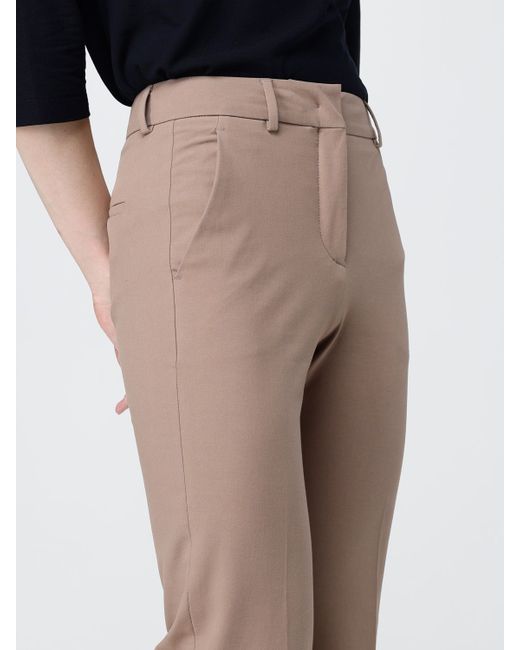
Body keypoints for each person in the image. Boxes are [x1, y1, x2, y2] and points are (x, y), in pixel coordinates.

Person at [16, 1, 408, 648]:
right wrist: (113, 282)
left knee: (344, 630)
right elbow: (41, 92)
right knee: (238, 627)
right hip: (209, 181)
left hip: (357, 165)